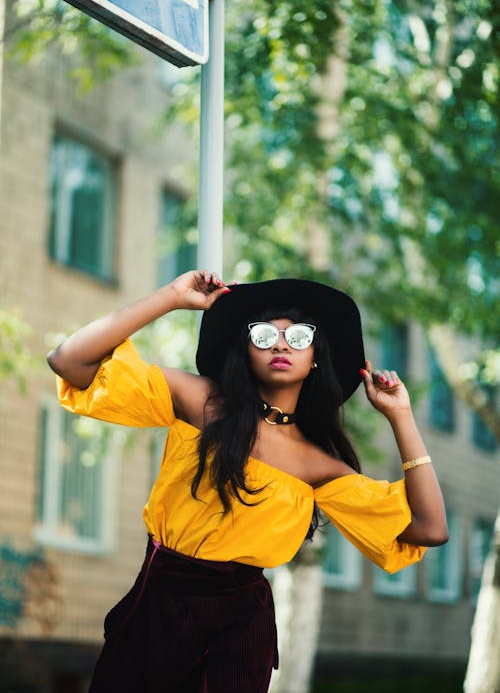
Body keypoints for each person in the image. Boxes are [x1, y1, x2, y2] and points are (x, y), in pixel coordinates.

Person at [47, 269, 448, 693]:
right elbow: (69, 360)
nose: (279, 344)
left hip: (240, 628)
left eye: (298, 338)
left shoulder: (319, 466)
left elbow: (430, 528)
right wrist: (170, 297)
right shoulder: (200, 403)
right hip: (157, 607)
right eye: (263, 335)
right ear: (246, 348)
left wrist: (400, 416)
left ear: (315, 357)